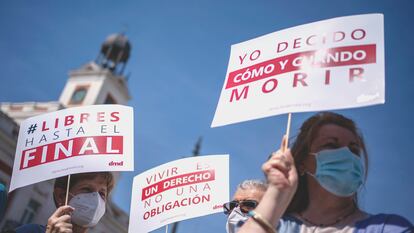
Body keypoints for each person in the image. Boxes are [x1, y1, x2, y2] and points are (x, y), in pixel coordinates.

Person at [238, 112, 413, 233]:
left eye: (353, 149)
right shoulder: (276, 226)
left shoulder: (388, 228)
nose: (346, 155)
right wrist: (277, 193)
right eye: (331, 145)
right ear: (302, 163)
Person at [15, 172, 114, 233]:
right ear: (61, 196)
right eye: (87, 189)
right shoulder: (29, 231)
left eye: (101, 193)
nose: (96, 199)